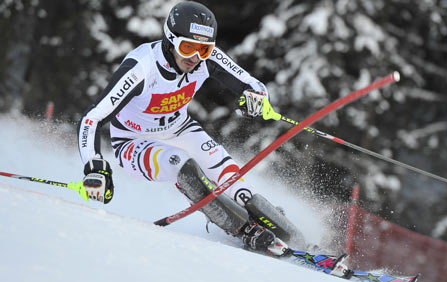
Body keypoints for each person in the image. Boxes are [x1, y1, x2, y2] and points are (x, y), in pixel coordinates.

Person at [77, 1, 304, 254]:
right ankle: (241, 230)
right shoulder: (142, 68)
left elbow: (252, 84)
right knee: (181, 165)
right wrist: (94, 166)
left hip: (181, 129)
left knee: (233, 182)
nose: (195, 57)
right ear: (170, 39)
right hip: (134, 141)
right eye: (187, 47)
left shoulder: (206, 59)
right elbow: (92, 118)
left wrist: (256, 97)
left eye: (204, 50)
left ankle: (288, 232)